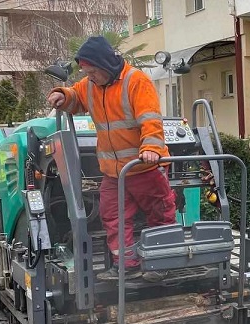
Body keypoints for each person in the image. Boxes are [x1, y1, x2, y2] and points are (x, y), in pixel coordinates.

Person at [47, 36, 176, 283]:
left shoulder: (135, 81)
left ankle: (160, 264)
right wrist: (62, 96)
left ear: (106, 65)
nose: (90, 76)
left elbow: (150, 119)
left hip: (144, 167)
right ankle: (126, 265)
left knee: (160, 214)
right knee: (113, 216)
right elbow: (76, 97)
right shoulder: (91, 85)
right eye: (86, 72)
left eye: (93, 72)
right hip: (114, 172)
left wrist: (150, 147)